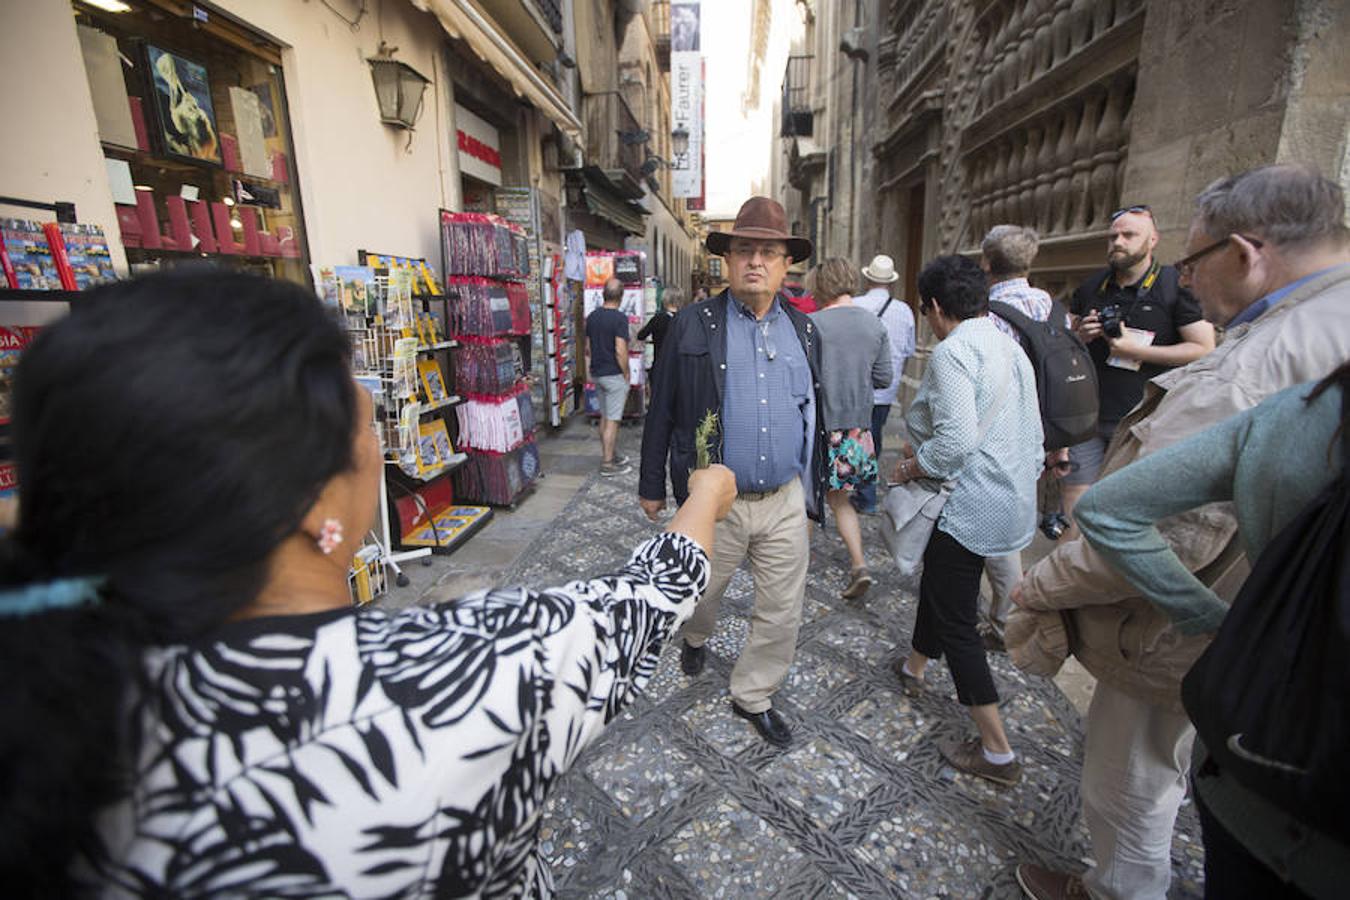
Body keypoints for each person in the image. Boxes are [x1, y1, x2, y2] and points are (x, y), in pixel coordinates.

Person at [0, 271, 739, 897]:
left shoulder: (51, 686)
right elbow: (653, 592)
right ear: (315, 503)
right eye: (362, 428)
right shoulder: (468, 673)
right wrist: (705, 492)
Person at [1009, 164, 1350, 900]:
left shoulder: (1256, 363)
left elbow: (1146, 525)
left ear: (1247, 252)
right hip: (1289, 634)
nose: (1187, 279)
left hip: (1191, 627)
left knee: (1131, 778)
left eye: (1194, 260)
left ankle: (1113, 892)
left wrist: (1041, 583)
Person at [1069, 364, 1349, 899]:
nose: (1191, 275)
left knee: (1137, 787)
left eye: (1195, 270)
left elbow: (1108, 510)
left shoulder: (1307, 411)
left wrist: (1213, 622)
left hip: (1265, 763)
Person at [639, 196, 825, 748]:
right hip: (715, 500)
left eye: (768, 252)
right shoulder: (693, 325)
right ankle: (695, 636)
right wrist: (652, 484)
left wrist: (814, 494)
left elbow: (814, 414)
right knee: (702, 593)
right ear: (726, 258)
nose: (755, 262)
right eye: (744, 249)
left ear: (786, 263)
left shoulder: (805, 331)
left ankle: (754, 694)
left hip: (785, 499)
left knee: (781, 608)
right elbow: (663, 406)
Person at [889, 255, 1044, 786]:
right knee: (941, 582)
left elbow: (954, 442)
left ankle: (998, 752)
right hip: (1010, 496)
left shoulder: (955, 351)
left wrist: (911, 466)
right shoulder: (1008, 344)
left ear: (933, 307)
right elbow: (1032, 431)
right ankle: (913, 665)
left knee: (958, 619)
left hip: (968, 504)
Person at [1061, 205, 1215, 536]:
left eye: (1129, 235)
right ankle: (1067, 568)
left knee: (1121, 509)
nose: (1118, 242)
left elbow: (1203, 348)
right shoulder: (1091, 288)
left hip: (1142, 422)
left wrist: (1137, 351)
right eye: (1113, 236)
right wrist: (1080, 336)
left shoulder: (1176, 286)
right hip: (1086, 416)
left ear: (1153, 240)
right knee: (1075, 499)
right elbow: (1066, 346)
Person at [977, 224, 1068, 650]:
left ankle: (1006, 622)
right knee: (1015, 527)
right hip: (1042, 433)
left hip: (1001, 435)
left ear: (986, 263)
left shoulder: (989, 313)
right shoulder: (1053, 308)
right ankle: (1005, 615)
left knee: (999, 537)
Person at [807, 257, 892, 599]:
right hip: (856, 430)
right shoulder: (873, 325)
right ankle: (859, 564)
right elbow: (884, 378)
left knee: (806, 500)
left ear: (820, 284)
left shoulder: (810, 325)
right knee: (841, 500)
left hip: (817, 426)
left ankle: (792, 570)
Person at [851, 253, 916, 515]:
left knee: (856, 436)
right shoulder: (904, 311)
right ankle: (865, 488)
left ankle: (864, 492)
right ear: (890, 282)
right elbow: (909, 349)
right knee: (874, 436)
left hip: (857, 386)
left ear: (868, 278)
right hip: (886, 389)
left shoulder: (855, 305)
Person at [585, 277, 632, 476]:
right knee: (613, 420)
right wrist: (627, 372)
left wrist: (589, 372)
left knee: (605, 416)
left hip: (597, 373)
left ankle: (611, 453)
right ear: (620, 297)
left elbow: (587, 348)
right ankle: (607, 463)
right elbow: (620, 350)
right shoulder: (620, 319)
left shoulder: (592, 317)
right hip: (613, 375)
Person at [636, 285, 683, 368]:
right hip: (679, 365)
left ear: (665, 299)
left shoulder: (658, 318)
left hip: (660, 364)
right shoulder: (684, 319)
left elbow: (641, 336)